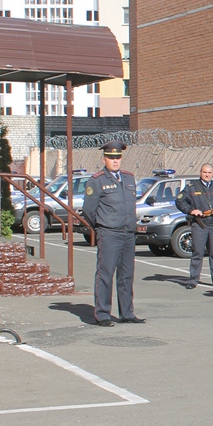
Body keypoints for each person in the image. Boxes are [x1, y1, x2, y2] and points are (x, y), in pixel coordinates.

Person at [82, 140, 144, 327]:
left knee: (126, 275)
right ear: (105, 159)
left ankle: (127, 313)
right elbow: (88, 210)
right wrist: (101, 227)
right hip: (109, 233)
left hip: (128, 233)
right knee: (105, 274)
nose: (115, 161)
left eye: (118, 157)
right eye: (111, 158)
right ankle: (102, 314)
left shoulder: (129, 178)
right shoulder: (97, 180)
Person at [174, 163, 213, 289]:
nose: (207, 175)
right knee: (197, 253)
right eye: (205, 172)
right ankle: (193, 280)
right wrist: (191, 210)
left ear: (212, 173)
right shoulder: (192, 187)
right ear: (200, 172)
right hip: (200, 225)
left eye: (209, 173)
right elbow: (180, 201)